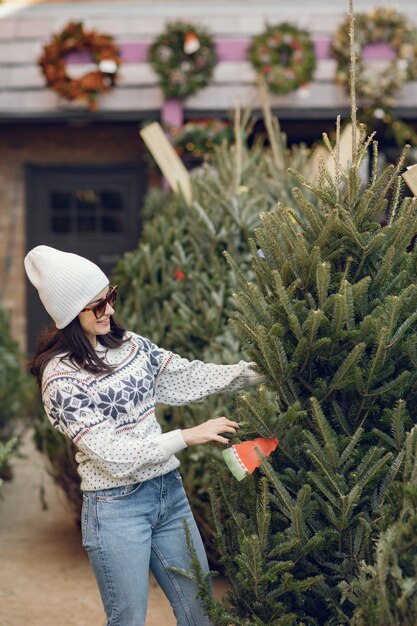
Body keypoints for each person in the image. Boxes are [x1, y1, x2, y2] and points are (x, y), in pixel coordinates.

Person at [24, 245, 266, 626]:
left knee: (203, 613)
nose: (111, 311)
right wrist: (186, 436)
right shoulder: (61, 378)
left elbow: (190, 375)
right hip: (115, 507)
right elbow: (111, 453)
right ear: (71, 314)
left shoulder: (132, 346)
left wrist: (267, 371)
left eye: (111, 298)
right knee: (128, 620)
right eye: (98, 306)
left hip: (168, 493)